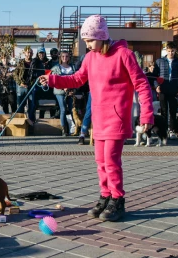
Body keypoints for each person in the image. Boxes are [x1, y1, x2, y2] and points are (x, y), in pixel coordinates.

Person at [39, 15, 154, 222]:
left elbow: (142, 85)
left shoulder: (124, 55)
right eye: (85, 41)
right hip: (98, 119)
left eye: (90, 40)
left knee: (111, 161)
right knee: (100, 161)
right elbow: (77, 79)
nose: (87, 45)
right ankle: (105, 195)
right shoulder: (90, 58)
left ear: (102, 36)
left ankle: (118, 200)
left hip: (116, 118)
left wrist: (146, 114)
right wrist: (53, 79)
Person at [153, 42, 178, 139]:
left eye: (172, 51)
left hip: (174, 88)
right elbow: (155, 75)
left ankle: (172, 130)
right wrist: (156, 86)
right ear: (166, 51)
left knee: (173, 110)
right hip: (163, 87)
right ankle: (164, 129)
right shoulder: (160, 61)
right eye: (169, 51)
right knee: (163, 110)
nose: (171, 53)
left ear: (175, 51)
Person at [51, 51, 77, 136]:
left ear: (69, 58)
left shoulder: (72, 67)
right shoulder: (56, 68)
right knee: (63, 109)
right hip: (60, 92)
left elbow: (76, 80)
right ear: (60, 58)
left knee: (73, 110)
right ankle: (64, 129)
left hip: (70, 92)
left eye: (66, 56)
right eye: (63, 56)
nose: (65, 58)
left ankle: (76, 128)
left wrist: (72, 90)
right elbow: (54, 81)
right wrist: (64, 88)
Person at [14, 46, 43, 121]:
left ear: (32, 53)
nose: (29, 54)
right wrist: (20, 83)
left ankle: (31, 122)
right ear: (24, 53)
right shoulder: (20, 63)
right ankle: (21, 122)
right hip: (21, 87)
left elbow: (41, 72)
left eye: (30, 52)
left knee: (31, 106)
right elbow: (15, 74)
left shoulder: (36, 62)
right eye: (27, 52)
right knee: (20, 106)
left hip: (31, 86)